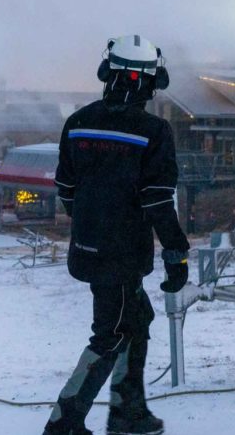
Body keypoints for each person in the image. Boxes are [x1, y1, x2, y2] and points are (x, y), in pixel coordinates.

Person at [43, 35, 190, 435]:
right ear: (152, 81)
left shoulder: (78, 122)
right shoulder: (154, 131)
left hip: (87, 248)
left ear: (107, 71)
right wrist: (176, 253)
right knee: (113, 332)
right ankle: (64, 424)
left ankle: (128, 410)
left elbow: (66, 189)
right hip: (123, 253)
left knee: (136, 317)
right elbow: (158, 201)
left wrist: (92, 222)